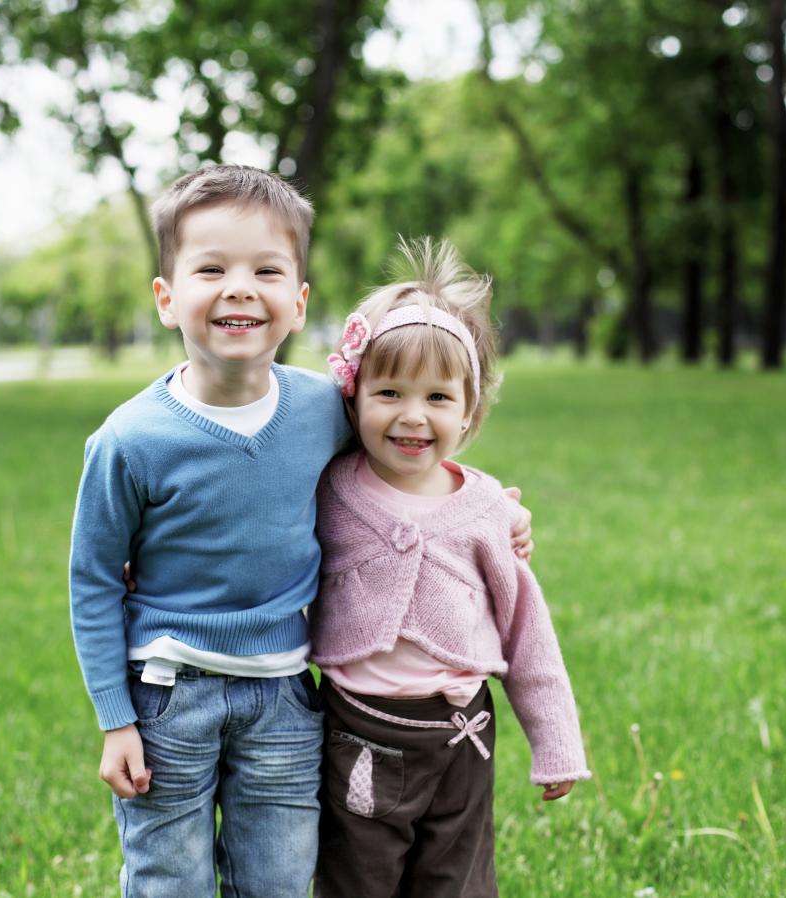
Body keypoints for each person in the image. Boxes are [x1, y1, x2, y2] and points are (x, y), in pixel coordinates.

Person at [68, 164, 532, 898]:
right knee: (169, 881)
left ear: (297, 302)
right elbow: (92, 582)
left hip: (286, 695)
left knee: (281, 880)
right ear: (166, 298)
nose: (240, 287)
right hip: (167, 696)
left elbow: (407, 457)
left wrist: (491, 510)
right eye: (211, 268)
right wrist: (115, 719)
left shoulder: (325, 412)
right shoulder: (129, 441)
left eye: (266, 270)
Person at [311, 237, 590, 898]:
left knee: (455, 882)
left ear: (469, 412)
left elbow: (529, 634)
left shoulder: (486, 509)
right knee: (356, 879)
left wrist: (556, 743)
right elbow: (258, 545)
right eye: (389, 391)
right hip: (356, 731)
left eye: (438, 397)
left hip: (462, 736)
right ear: (353, 400)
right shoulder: (329, 491)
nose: (413, 415)